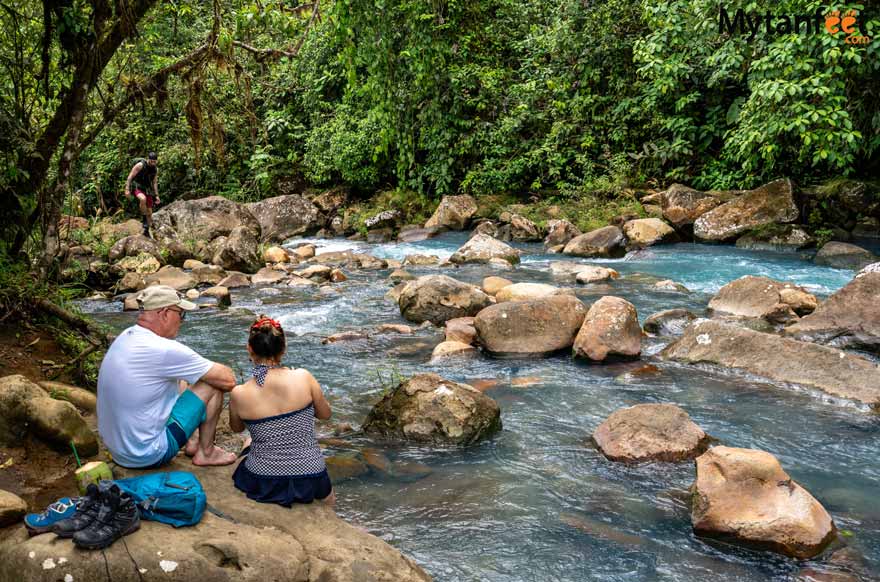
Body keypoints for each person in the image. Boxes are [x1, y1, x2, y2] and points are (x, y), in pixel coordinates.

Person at [97, 285, 238, 468]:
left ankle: (194, 442)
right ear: (164, 313)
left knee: (182, 376)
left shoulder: (126, 336)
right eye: (181, 314)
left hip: (119, 451)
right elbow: (228, 380)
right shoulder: (163, 349)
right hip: (147, 453)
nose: (182, 321)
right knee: (212, 384)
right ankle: (206, 453)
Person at [229, 315, 335, 507]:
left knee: (248, 441)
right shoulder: (304, 377)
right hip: (310, 474)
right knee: (328, 497)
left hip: (264, 478)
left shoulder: (239, 393)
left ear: (250, 349)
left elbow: (236, 428)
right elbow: (325, 415)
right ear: (283, 349)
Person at [124, 152, 159, 237]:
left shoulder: (155, 169)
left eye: (155, 161)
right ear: (148, 159)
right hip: (137, 186)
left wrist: (157, 195)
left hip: (147, 189)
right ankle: (144, 218)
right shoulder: (140, 165)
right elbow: (130, 177)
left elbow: (154, 183)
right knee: (143, 199)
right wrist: (127, 189)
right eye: (152, 161)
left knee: (150, 213)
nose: (153, 163)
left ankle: (147, 230)